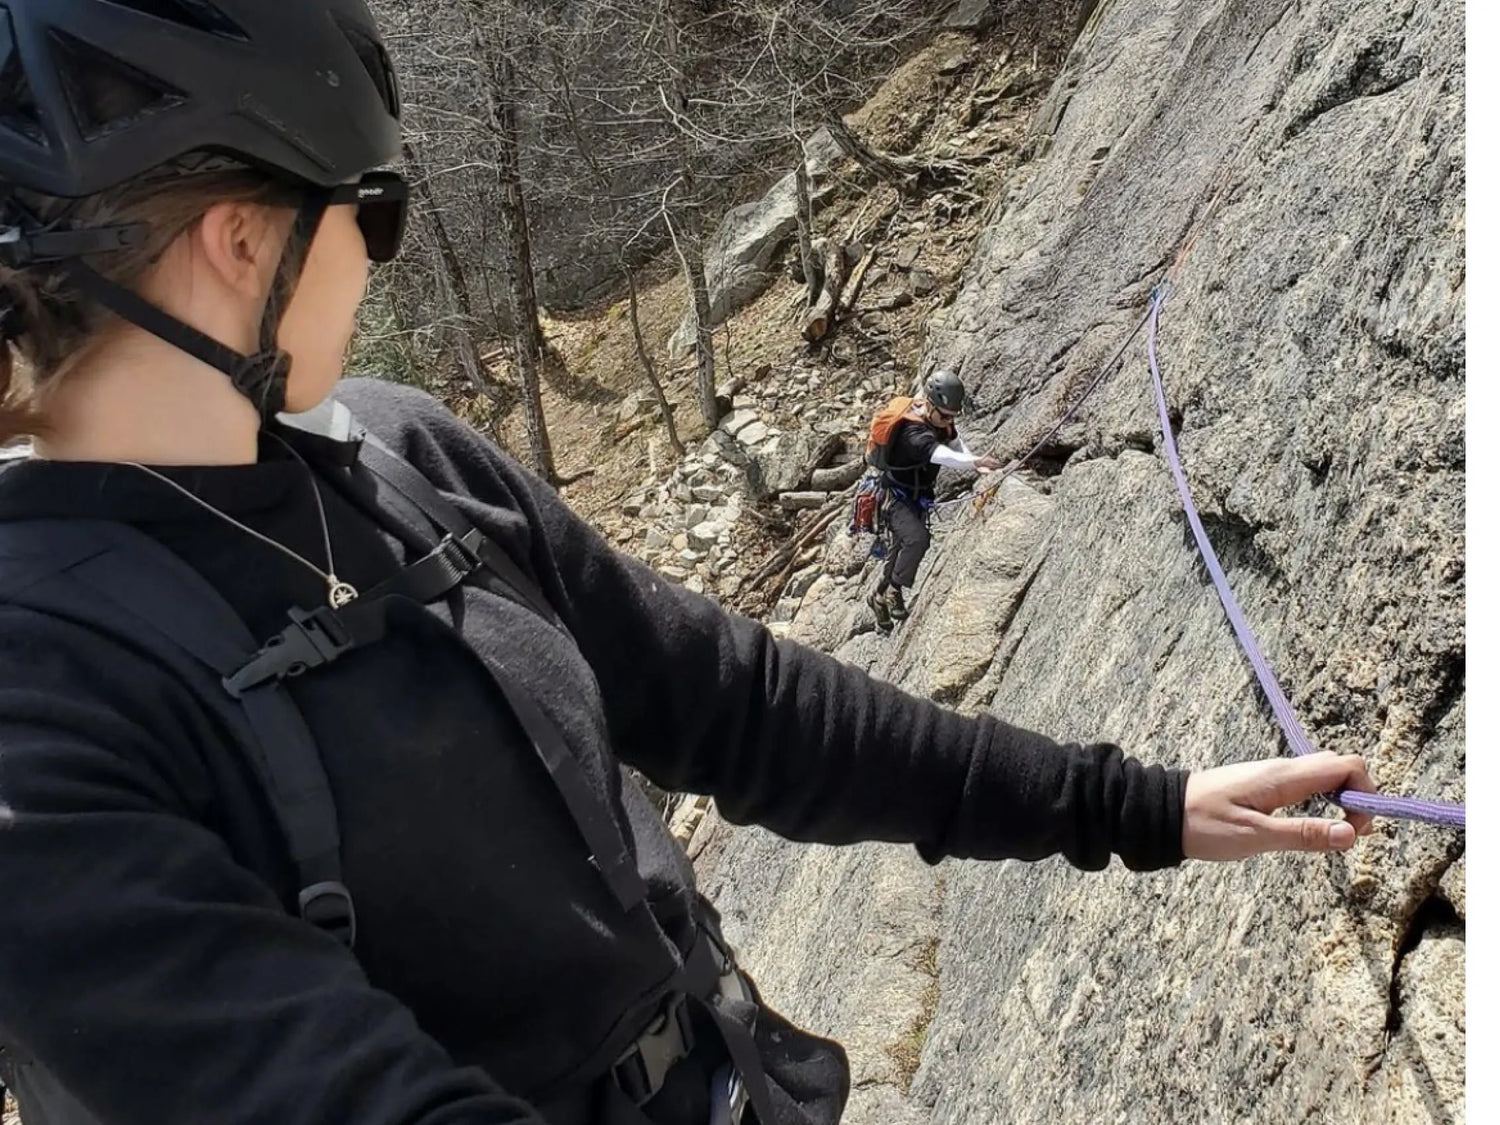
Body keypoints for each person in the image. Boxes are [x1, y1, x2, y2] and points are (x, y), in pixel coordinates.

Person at [0, 4, 1377, 1124]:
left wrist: (1130, 805)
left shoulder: (397, 454)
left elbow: (738, 704)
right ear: (241, 240)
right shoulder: (41, 716)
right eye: (370, 207)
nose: (376, 250)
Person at [867, 370, 998, 632]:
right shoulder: (912, 432)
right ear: (929, 404)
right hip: (894, 498)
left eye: (952, 416)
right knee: (917, 539)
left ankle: (879, 597)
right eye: (944, 415)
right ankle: (893, 590)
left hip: (917, 496)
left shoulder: (940, 420)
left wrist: (978, 466)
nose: (948, 420)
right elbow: (941, 455)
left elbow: (955, 442)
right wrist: (974, 462)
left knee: (902, 544)